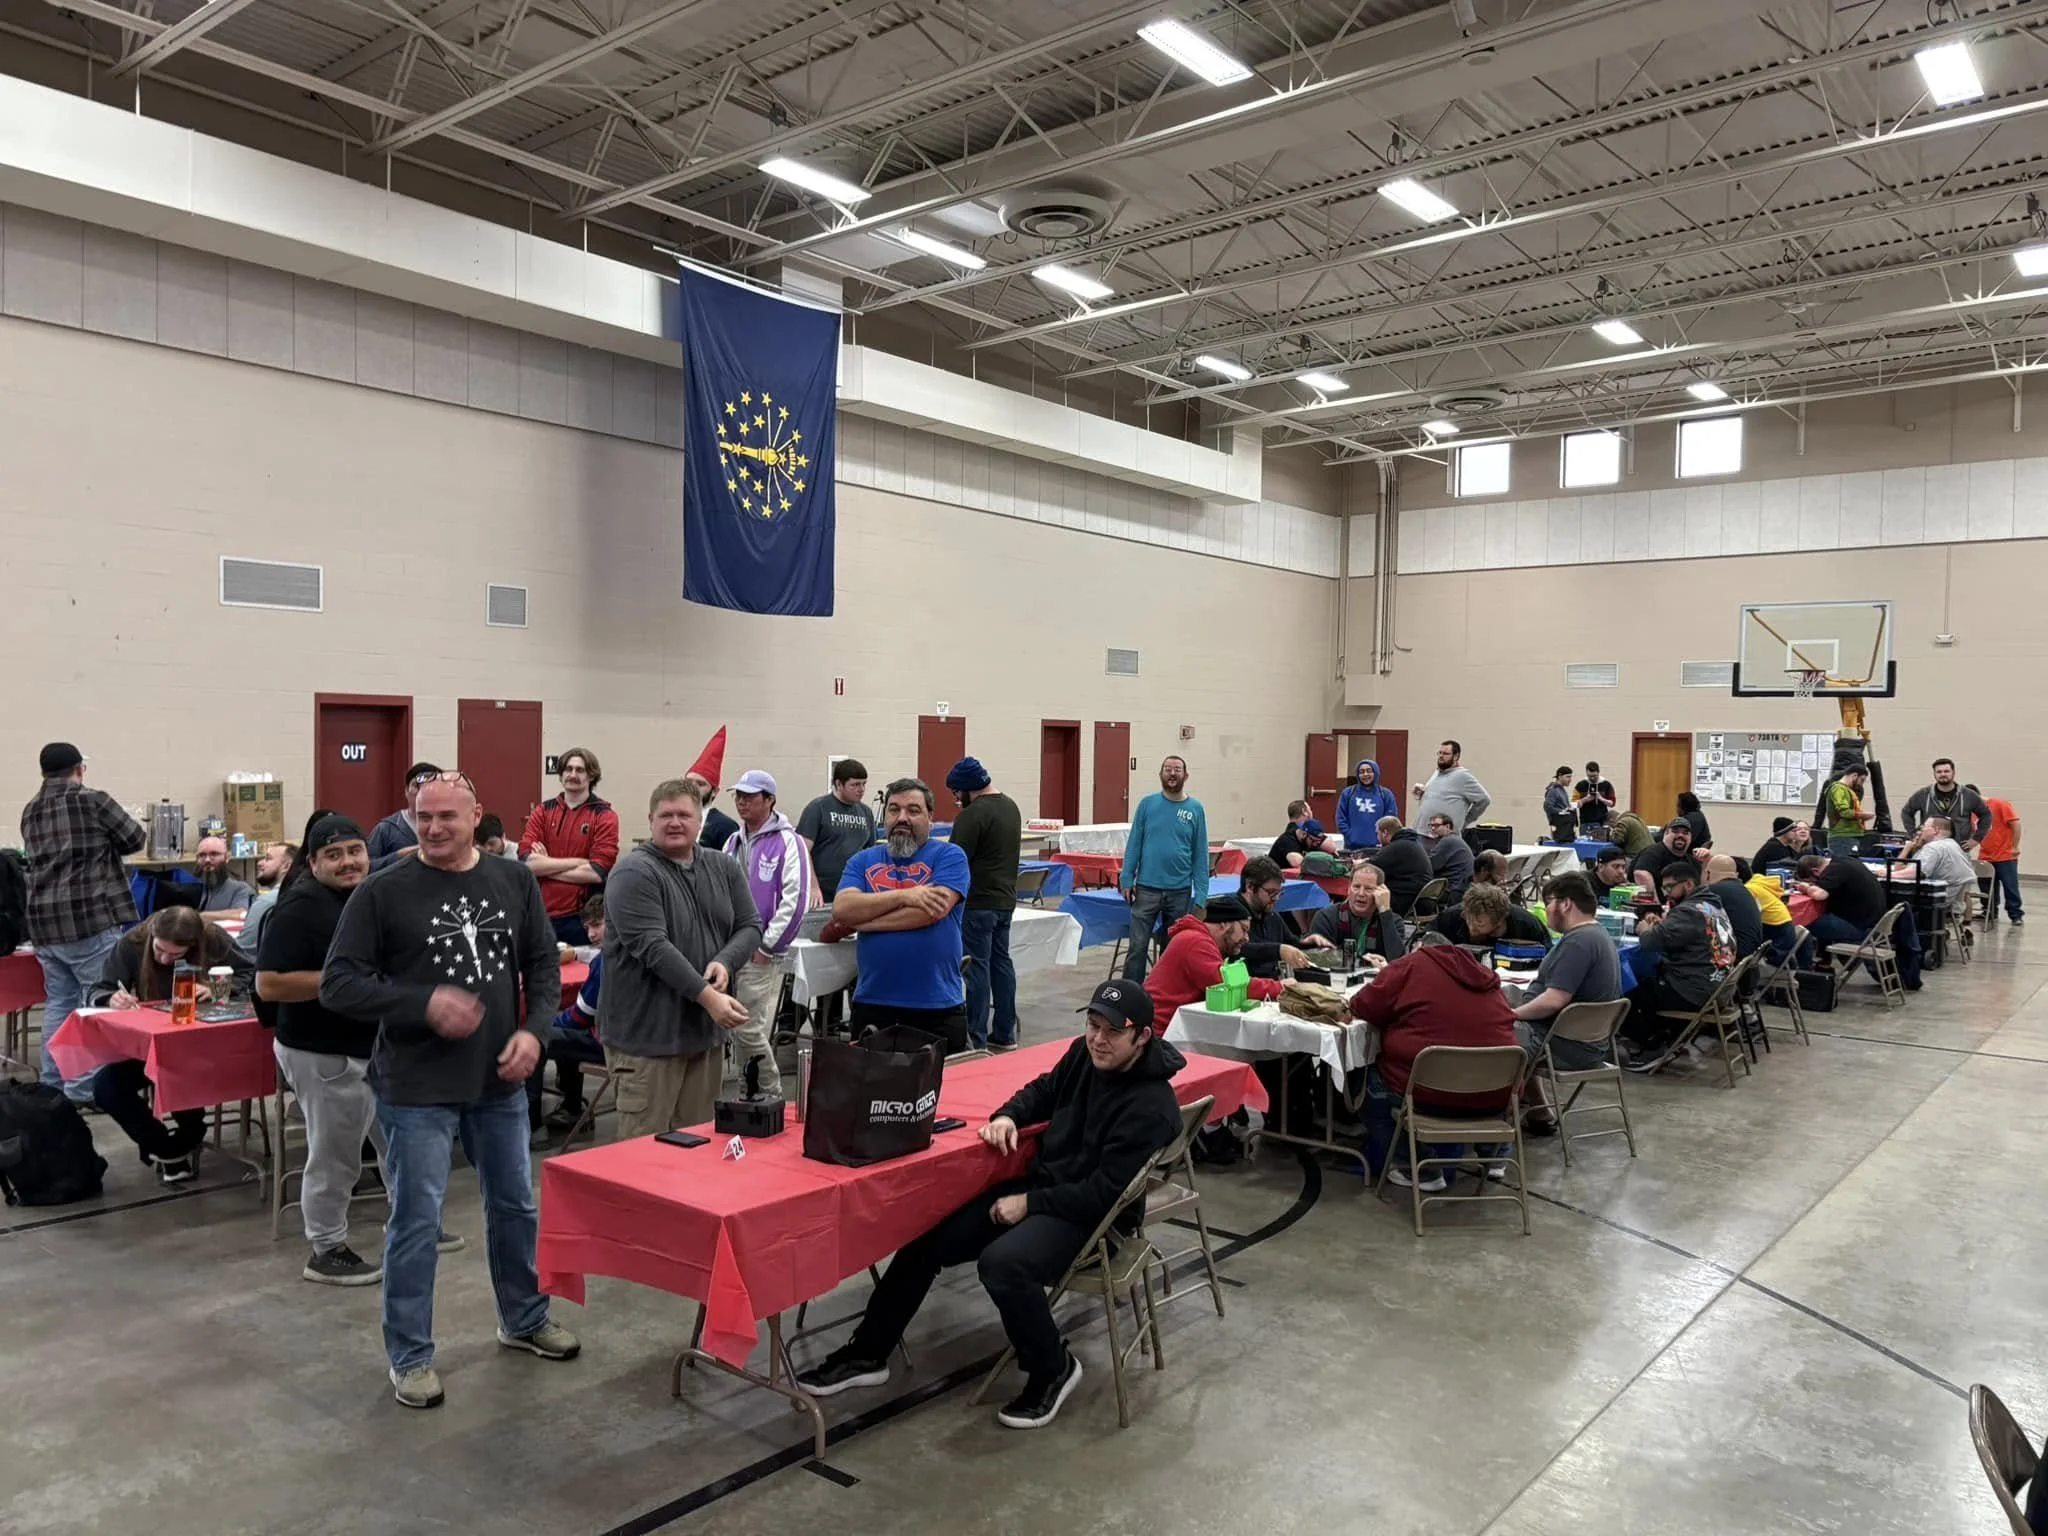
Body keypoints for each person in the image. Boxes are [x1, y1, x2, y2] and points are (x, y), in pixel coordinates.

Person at [796, 979, 1184, 1430]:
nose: (1098, 1039)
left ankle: (1052, 1368)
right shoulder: (1086, 1056)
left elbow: (1104, 1195)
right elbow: (1043, 1089)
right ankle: (869, 1352)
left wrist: (1030, 1203)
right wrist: (1009, 1114)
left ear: (1142, 1037)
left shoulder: (1151, 1107)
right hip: (1048, 1190)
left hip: (1096, 1221)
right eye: (1093, 1025)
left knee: (1004, 1264)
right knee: (925, 1237)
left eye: (1113, 1032)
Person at [321, 773, 577, 1410]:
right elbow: (339, 984)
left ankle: (523, 1319)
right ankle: (409, 1355)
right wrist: (419, 1002)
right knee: (415, 1220)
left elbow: (543, 964)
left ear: (476, 816)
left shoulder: (513, 880)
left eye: (447, 817)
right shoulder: (383, 891)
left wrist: (535, 1033)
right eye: (422, 816)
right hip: (416, 1089)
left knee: (516, 1206)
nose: (433, 828)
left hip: (499, 1082)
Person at [256, 814, 384, 1283]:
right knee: (335, 1155)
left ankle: (418, 1224)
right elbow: (268, 985)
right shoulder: (300, 907)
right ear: (312, 862)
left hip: (370, 1047)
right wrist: (347, 983)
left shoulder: (364, 895)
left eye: (355, 851)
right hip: (323, 1051)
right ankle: (325, 1248)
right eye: (334, 854)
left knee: (399, 1144)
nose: (348, 862)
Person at [599, 780, 760, 1138]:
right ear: (650, 819)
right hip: (647, 1041)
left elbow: (750, 926)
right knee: (645, 1156)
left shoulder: (724, 867)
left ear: (700, 820)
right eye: (666, 815)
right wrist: (709, 997)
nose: (675, 822)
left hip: (703, 1037)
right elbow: (653, 947)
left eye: (684, 814)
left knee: (699, 1148)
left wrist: (725, 961)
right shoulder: (633, 873)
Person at [85, 906, 253, 1182]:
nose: (164, 959)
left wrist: (215, 988)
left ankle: (185, 1139)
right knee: (106, 1086)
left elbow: (251, 973)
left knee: (175, 1076)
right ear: (152, 935)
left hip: (205, 1047)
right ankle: (167, 1147)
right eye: (159, 950)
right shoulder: (132, 944)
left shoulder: (213, 938)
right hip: (154, 1046)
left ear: (194, 945)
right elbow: (96, 989)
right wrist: (109, 998)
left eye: (175, 955)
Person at [21, 742, 146, 1097]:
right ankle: (82, 1088)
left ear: (44, 773)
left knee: (58, 1004)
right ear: (80, 769)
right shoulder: (93, 800)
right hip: (88, 918)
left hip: (44, 924)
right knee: (95, 1001)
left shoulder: (30, 810)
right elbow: (135, 838)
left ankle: (53, 1084)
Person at [1350, 940, 1524, 1191]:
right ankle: (1494, 1153)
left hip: (1429, 1093)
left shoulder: (1411, 965)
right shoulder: (1487, 977)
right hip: (1495, 1095)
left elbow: (1362, 1005)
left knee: (1364, 1082)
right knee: (1485, 1071)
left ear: (1420, 948)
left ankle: (1417, 1167)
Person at [834, 778, 972, 1054]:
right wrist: (905, 896)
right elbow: (842, 909)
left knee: (946, 1095)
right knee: (872, 1093)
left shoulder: (949, 856)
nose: (902, 818)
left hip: (938, 1006)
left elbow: (932, 911)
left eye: (913, 810)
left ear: (930, 817)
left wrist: (865, 922)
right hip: (874, 1005)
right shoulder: (863, 860)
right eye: (894, 810)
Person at [722, 769, 812, 1094]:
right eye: (738, 795)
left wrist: (768, 946)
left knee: (747, 1026)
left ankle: (770, 1091)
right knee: (737, 1025)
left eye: (750, 796)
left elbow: (796, 899)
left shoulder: (789, 842)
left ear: (769, 800)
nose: (741, 801)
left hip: (762, 953)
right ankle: (750, 1090)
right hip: (731, 949)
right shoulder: (732, 842)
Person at [1619, 862, 1736, 1071]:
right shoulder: (1711, 905)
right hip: (1716, 986)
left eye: (1669, 887)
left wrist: (1646, 929)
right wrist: (1662, 927)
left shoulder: (1688, 911)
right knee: (1646, 979)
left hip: (1694, 991)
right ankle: (1667, 1035)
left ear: (1689, 884)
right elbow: (1678, 936)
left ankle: (1654, 1043)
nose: (1667, 894)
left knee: (1623, 990)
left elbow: (1649, 943)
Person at [948, 758, 1023, 1051]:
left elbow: (956, 859)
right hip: (1005, 900)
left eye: (956, 792)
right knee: (1002, 965)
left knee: (976, 970)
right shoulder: (1011, 806)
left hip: (978, 903)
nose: (955, 799)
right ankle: (1005, 1034)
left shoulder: (973, 814)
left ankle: (975, 1039)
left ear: (968, 788)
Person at [1118, 756, 1209, 985]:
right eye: (1167, 769)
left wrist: (1202, 896)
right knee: (1137, 947)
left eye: (1177, 770)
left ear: (1185, 776)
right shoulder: (1147, 805)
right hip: (1146, 889)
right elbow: (1134, 843)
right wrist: (1127, 878)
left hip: (1179, 891)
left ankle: (1165, 993)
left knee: (1173, 949)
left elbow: (1200, 855)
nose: (1172, 773)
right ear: (1160, 774)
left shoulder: (1195, 809)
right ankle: (1130, 996)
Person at [1511, 873, 1622, 1054]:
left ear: (1566, 904)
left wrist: (1512, 1015)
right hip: (1585, 1042)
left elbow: (1553, 1001)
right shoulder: (1597, 934)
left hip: (1559, 1043)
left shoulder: (1577, 942)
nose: (1546, 909)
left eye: (1548, 902)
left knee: (1483, 1033)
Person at [518, 746, 620, 944]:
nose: (573, 774)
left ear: (591, 776)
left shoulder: (605, 816)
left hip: (582, 919)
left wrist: (545, 865)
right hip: (540, 914)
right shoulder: (543, 811)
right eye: (568, 769)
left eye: (580, 770)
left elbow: (596, 872)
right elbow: (527, 864)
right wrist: (579, 862)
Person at [528, 895, 608, 1142]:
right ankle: (572, 1106)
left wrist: (548, 1023)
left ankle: (531, 1125)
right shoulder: (611, 953)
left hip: (608, 1042)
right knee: (563, 1035)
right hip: (620, 1037)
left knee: (535, 1036)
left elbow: (581, 1017)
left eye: (597, 925)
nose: (592, 934)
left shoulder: (605, 962)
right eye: (587, 928)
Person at [1793, 850, 1920, 989]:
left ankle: (1804, 970)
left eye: (1813, 881)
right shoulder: (1845, 860)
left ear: (1816, 871)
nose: (1815, 883)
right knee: (1822, 916)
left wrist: (1806, 887)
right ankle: (1824, 963)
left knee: (1802, 922)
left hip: (1861, 930)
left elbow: (1819, 895)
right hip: (1872, 925)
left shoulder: (1834, 870)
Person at [1142, 893, 1283, 1016]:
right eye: (1244, 929)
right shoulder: (1196, 943)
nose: (1247, 938)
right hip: (1164, 1030)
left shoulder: (1197, 939)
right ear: (1224, 925)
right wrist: (1281, 988)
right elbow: (1228, 985)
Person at [798, 758, 877, 898]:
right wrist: (813, 886)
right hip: (822, 892)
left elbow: (870, 854)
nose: (861, 789)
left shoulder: (866, 812)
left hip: (854, 891)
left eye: (864, 784)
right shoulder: (818, 808)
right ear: (838, 784)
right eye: (855, 785)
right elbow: (802, 851)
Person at [1309, 863, 1407, 969]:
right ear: (1348, 889)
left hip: (1377, 981)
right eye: (1356, 887)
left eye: (1368, 889)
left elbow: (1398, 960)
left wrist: (1385, 912)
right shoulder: (1326, 917)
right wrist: (1362, 964)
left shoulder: (1394, 921)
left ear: (1381, 893)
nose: (1361, 893)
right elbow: (1319, 958)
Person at [1235, 857, 1314, 980]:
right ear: (1250, 887)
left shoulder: (1271, 916)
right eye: (1271, 892)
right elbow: (1238, 949)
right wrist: (1278, 950)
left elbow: (1292, 943)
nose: (1276, 899)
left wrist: (1314, 944)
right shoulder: (1230, 913)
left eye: (1279, 893)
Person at [1432, 881, 1551, 951]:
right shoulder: (1450, 918)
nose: (1472, 929)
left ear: (1500, 920)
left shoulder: (1526, 924)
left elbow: (1549, 957)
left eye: (1480, 924)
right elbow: (1424, 943)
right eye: (1469, 920)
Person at [1900, 759, 1990, 850]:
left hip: (1959, 849)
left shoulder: (1968, 795)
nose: (1943, 774)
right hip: (1929, 848)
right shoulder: (1923, 794)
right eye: (1939, 772)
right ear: (1934, 774)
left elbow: (1986, 815)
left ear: (1953, 772)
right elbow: (1906, 812)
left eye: (1946, 771)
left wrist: (1977, 839)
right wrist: (1914, 835)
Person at [1894, 817, 1977, 916]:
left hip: (1934, 904)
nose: (1921, 831)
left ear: (1935, 830)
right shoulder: (1953, 845)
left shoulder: (1933, 848)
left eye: (1924, 827)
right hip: (1952, 905)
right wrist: (1907, 848)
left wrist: (1886, 873)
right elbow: (1902, 870)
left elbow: (1913, 873)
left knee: (1887, 897)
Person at [368, 761, 440, 870]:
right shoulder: (386, 828)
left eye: (430, 786)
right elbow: (366, 867)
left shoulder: (449, 825)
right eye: (417, 786)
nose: (423, 792)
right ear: (406, 791)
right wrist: (398, 856)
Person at [1413, 740, 1491, 833]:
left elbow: (1484, 800)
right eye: (1440, 753)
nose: (1441, 756)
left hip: (1442, 836)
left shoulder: (1462, 776)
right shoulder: (1438, 772)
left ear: (1456, 756)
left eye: (1446, 753)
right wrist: (1423, 794)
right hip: (1422, 832)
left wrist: (1465, 821)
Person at [1973, 785, 2023, 924]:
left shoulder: (2000, 804)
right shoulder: (1971, 812)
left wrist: (2014, 846)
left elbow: (2016, 824)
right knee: (1985, 886)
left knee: (2010, 886)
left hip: (2005, 854)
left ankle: (2015, 914)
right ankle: (1989, 911)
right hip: (1985, 855)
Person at [685, 727, 740, 854]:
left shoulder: (724, 826)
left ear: (714, 791)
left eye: (700, 784)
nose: (692, 788)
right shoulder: (674, 818)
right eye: (688, 782)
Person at [238, 840, 296, 956]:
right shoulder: (301, 893)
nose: (260, 863)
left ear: (286, 866)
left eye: (268, 859)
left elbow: (244, 949)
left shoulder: (266, 901)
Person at [1370, 816, 1435, 915]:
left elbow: (1370, 867)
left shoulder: (1397, 847)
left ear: (1385, 833)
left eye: (1377, 833)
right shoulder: (1412, 843)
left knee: (1365, 895)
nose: (1377, 837)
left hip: (1406, 902)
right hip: (1422, 901)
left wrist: (1359, 863)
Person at [1700, 854, 1761, 959]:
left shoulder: (1713, 891)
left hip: (1736, 955)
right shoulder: (1743, 890)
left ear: (1708, 873)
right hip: (1750, 957)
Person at [1336, 760, 1399, 851]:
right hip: (1352, 846)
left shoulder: (1385, 794)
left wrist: (1383, 839)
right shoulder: (1348, 793)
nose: (1365, 774)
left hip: (1378, 847)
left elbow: (1391, 821)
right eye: (1361, 772)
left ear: (1375, 772)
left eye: (1369, 771)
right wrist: (1350, 835)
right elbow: (1341, 817)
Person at [1744, 864, 1800, 965]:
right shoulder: (1758, 883)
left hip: (1777, 947)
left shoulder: (1749, 889)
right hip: (1785, 934)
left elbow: (1750, 915)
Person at [190, 834, 256, 913]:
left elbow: (241, 915)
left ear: (227, 857)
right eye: (202, 855)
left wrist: (201, 916)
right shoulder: (187, 888)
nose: (207, 860)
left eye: (214, 854)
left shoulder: (240, 889)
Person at [1821, 765, 1874, 855]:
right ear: (1854, 776)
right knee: (1844, 864)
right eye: (1862, 780)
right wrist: (1864, 815)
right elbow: (1844, 812)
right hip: (1842, 837)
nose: (1861, 784)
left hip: (1847, 836)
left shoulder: (1846, 790)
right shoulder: (1838, 789)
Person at [1630, 820, 1696, 892]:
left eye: (1685, 833)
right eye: (1675, 831)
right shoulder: (1653, 852)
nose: (1680, 835)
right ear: (1666, 834)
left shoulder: (1691, 859)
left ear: (1690, 838)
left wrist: (1706, 861)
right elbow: (1640, 874)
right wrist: (1654, 902)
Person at [1423, 812, 1476, 899]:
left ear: (1447, 827)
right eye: (1431, 825)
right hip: (1464, 886)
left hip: (1455, 889)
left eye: (1436, 825)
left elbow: (1431, 866)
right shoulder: (1455, 839)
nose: (1432, 828)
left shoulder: (1447, 841)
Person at [1575, 763, 1616, 828]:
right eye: (1589, 776)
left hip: (1602, 821)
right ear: (1586, 773)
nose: (1592, 778)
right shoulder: (1580, 785)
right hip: (1585, 822)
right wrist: (1584, 800)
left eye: (1594, 776)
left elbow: (1612, 803)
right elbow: (1574, 804)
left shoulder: (1606, 784)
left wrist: (1601, 798)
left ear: (1598, 772)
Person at [1543, 767, 1575, 833]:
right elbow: (1547, 807)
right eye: (1568, 777)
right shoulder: (1554, 790)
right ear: (1560, 776)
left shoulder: (1561, 790)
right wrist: (1562, 811)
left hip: (1565, 825)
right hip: (1559, 826)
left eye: (1570, 777)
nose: (1570, 779)